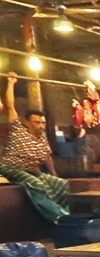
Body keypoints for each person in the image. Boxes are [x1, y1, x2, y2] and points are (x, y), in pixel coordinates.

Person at [0, 73, 69, 222]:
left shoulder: (42, 137)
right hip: (10, 168)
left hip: (33, 170)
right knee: (37, 184)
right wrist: (11, 83)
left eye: (43, 123)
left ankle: (65, 215)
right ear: (27, 122)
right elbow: (10, 106)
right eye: (37, 122)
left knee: (61, 184)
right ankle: (56, 218)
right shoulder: (18, 128)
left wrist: (54, 173)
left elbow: (46, 157)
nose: (41, 125)